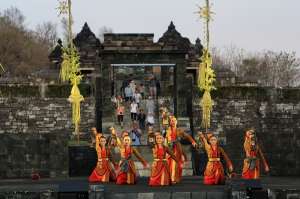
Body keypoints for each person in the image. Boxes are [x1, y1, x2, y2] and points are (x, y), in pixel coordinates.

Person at [165, 116, 197, 184]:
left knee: (175, 163)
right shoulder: (168, 130)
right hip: (170, 148)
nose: (173, 122)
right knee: (169, 163)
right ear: (170, 122)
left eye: (174, 120)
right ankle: (170, 178)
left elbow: (188, 136)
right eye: (171, 121)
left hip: (177, 148)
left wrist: (193, 142)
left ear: (176, 122)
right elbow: (167, 140)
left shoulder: (179, 130)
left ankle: (174, 178)